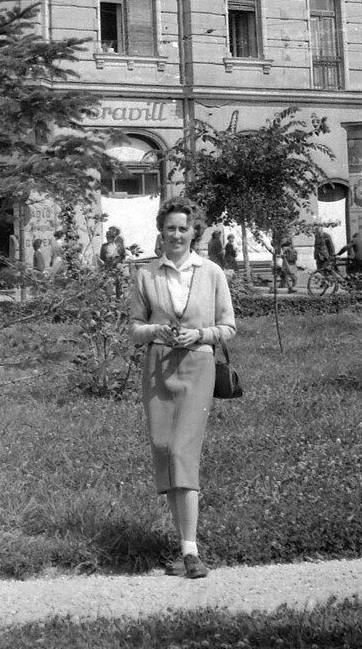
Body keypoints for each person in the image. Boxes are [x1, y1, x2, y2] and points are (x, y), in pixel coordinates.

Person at [129, 197, 236, 580]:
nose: (176, 235)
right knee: (163, 450)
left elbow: (228, 327)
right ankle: (183, 548)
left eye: (183, 228)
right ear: (161, 231)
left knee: (181, 450)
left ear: (195, 232)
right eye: (170, 228)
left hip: (198, 365)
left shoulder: (211, 273)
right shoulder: (146, 275)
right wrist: (155, 331)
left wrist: (200, 334)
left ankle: (191, 551)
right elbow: (134, 328)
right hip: (158, 366)